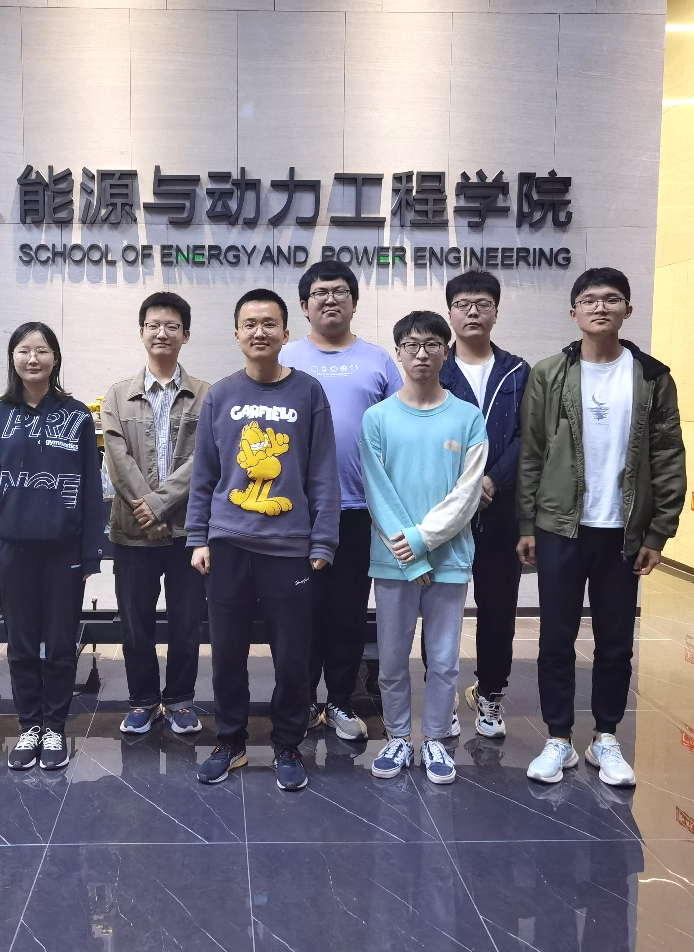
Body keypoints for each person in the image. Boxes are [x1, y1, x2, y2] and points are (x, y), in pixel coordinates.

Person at [518, 267, 686, 787]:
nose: (600, 307)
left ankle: (606, 737)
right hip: (560, 526)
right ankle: (558, 738)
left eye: (612, 299)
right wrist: (526, 522)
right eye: (589, 299)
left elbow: (668, 455)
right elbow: (532, 452)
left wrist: (658, 532)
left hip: (623, 531)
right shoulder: (549, 373)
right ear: (573, 312)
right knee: (556, 637)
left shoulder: (653, 377)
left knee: (615, 640)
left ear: (628, 310)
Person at [186, 288, 340, 791]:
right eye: (250, 323)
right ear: (237, 334)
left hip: (289, 549)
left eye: (269, 323)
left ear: (285, 332)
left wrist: (323, 540)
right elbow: (205, 474)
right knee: (226, 655)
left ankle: (287, 744)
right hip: (228, 545)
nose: (259, 332)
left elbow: (322, 472)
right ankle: (230, 741)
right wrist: (198, 537)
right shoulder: (220, 396)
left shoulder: (308, 393)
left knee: (292, 658)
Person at [361, 311, 487, 784]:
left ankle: (435, 738)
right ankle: (397, 736)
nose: (421, 353)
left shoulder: (467, 416)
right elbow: (377, 493)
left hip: (448, 559)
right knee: (392, 659)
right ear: (398, 353)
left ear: (445, 352)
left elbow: (467, 493)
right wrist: (410, 554)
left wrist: (421, 541)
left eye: (432, 344)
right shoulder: (377, 417)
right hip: (393, 562)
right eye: (411, 345)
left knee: (444, 660)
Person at [0, 322, 104, 772]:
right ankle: (30, 725)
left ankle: (55, 727)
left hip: (64, 551)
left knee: (62, 644)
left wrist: (90, 552)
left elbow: (90, 489)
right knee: (23, 645)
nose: (33, 358)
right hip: (12, 550)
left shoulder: (76, 415)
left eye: (42, 350)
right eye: (24, 350)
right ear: (13, 358)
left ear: (55, 358)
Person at [280, 261, 401, 743]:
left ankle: (340, 701)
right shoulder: (286, 357)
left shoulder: (379, 361)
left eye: (340, 292)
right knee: (300, 610)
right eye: (320, 292)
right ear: (304, 305)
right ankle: (303, 700)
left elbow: (398, 427)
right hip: (295, 512)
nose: (330, 299)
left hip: (358, 510)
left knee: (349, 611)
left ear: (354, 301)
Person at [101, 292, 210, 735]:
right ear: (142, 331)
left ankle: (181, 699)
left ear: (186, 334)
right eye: (153, 325)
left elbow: (207, 457)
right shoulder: (117, 394)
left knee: (187, 623)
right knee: (135, 624)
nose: (161, 332)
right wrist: (147, 507)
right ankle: (143, 700)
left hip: (187, 532)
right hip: (133, 531)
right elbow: (116, 457)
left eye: (171, 326)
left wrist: (160, 505)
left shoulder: (207, 395)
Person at [438, 271, 529, 739]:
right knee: (442, 609)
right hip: (447, 510)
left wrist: (491, 480)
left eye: (482, 304)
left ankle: (490, 693)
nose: (472, 312)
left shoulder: (518, 371)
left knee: (498, 608)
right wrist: (465, 488)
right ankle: (443, 698)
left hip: (501, 509)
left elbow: (528, 437)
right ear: (450, 313)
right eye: (463, 304)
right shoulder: (436, 367)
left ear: (496, 311)